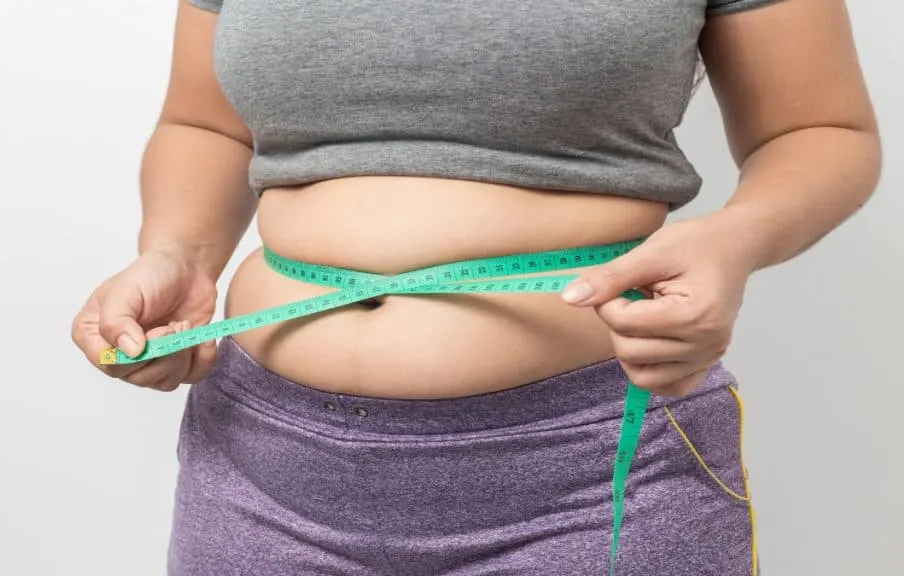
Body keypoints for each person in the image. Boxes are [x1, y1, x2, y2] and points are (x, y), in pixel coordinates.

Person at [71, 0, 881, 574]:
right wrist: (178, 251)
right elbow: (204, 122)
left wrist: (729, 244)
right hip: (262, 469)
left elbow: (818, 130)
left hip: (586, 470)